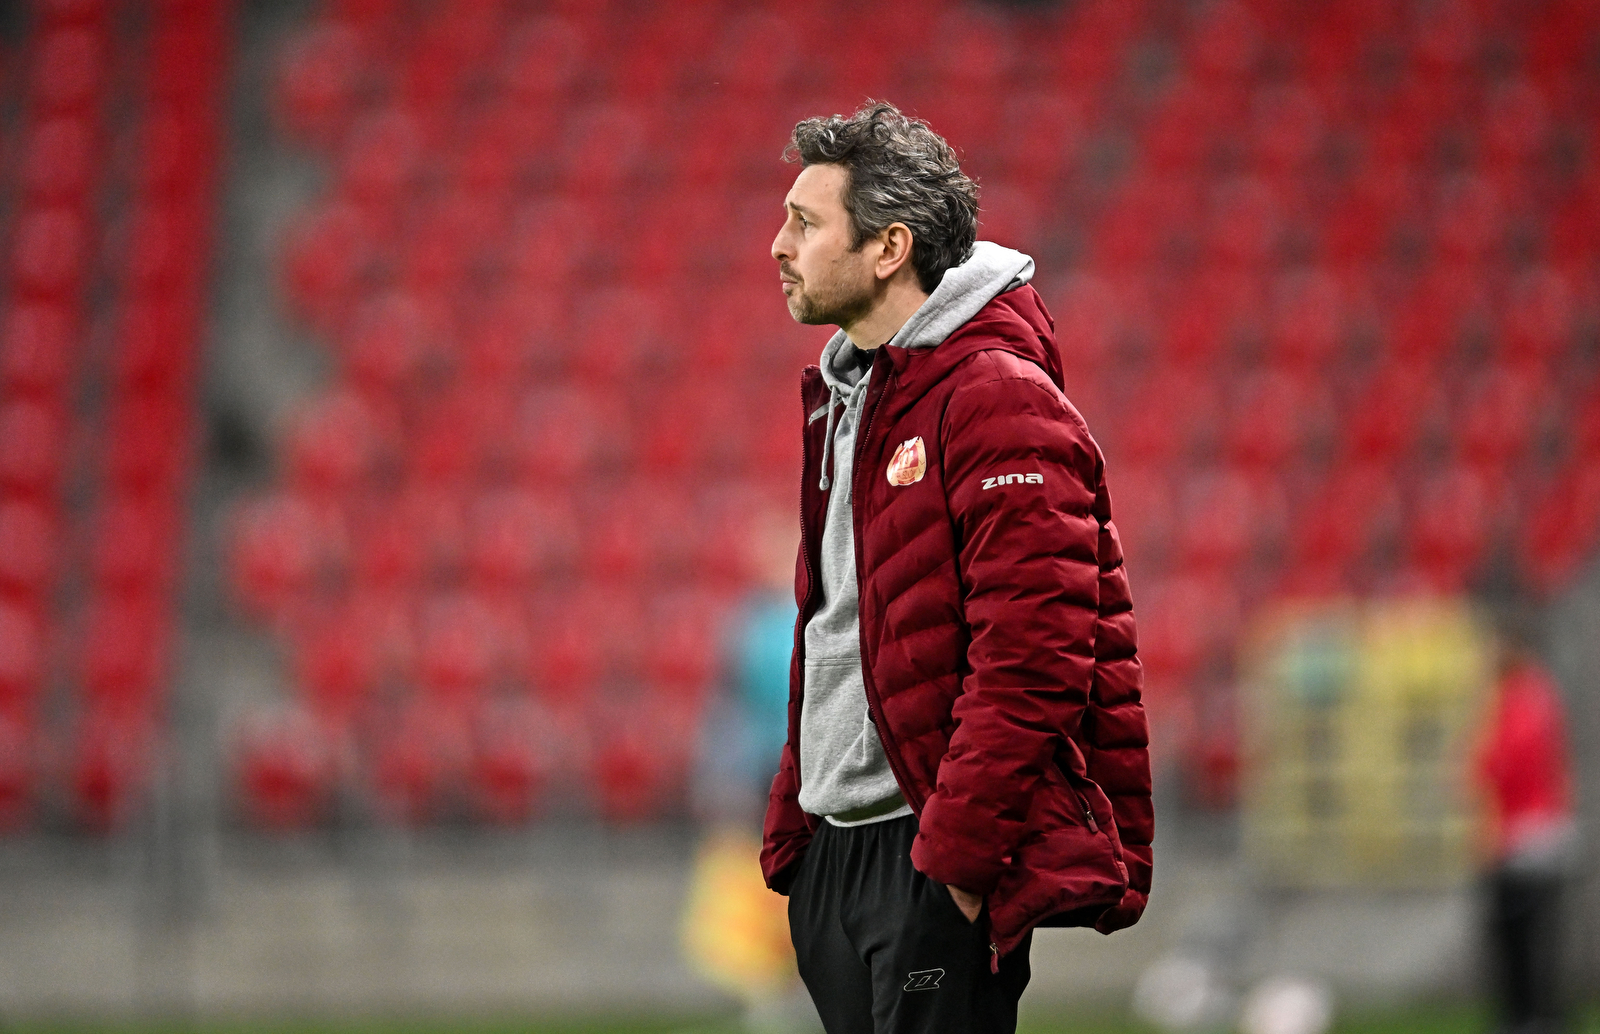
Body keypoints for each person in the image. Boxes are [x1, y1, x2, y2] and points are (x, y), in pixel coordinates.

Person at [760, 101, 1153, 1034]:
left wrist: (958, 869)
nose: (780, 245)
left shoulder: (996, 397)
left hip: (926, 861)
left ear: (888, 248)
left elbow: (1035, 653)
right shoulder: (851, 393)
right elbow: (841, 628)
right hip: (841, 855)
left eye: (806, 222)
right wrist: (800, 833)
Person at [1474, 637, 1576, 1034]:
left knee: (1518, 932)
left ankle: (1528, 1017)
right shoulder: (1539, 693)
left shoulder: (1521, 697)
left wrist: (1481, 767)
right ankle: (1539, 1015)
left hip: (1523, 835)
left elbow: (1503, 762)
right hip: (1539, 829)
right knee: (1534, 931)